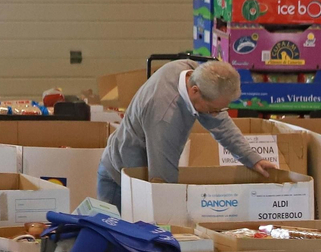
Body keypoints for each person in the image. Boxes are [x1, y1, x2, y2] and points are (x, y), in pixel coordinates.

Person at [96, 59, 276, 208]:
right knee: (113, 245)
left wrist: (252, 158)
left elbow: (220, 122)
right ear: (195, 91)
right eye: (213, 109)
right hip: (119, 180)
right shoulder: (165, 118)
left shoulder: (187, 69)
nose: (216, 114)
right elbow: (162, 182)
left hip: (138, 173)